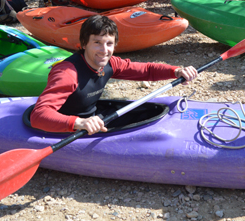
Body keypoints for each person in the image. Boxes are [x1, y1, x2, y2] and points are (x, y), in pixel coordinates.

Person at [31, 15, 198, 134]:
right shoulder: (67, 73)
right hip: (69, 128)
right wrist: (79, 123)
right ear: (83, 44)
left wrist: (175, 71)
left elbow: (146, 70)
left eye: (109, 44)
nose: (104, 51)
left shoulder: (110, 63)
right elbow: (38, 116)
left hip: (93, 117)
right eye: (97, 43)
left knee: (146, 113)